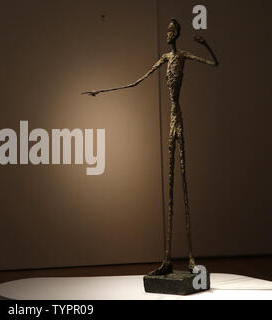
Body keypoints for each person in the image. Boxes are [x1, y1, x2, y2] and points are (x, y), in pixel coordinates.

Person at [83, 19, 218, 275]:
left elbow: (214, 63)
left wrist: (206, 44)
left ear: (177, 33)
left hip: (178, 118)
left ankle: (190, 258)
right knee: (169, 186)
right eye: (166, 30)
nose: (167, 34)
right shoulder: (164, 58)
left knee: (183, 181)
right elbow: (136, 82)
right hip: (171, 118)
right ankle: (167, 259)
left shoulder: (184, 55)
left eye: (170, 30)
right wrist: (100, 91)